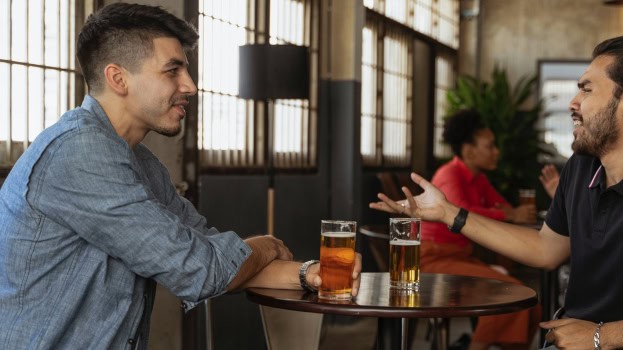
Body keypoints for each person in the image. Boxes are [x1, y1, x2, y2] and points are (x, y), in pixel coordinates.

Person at [0, 3, 360, 349]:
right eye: (172, 70)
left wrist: (309, 272)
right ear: (118, 78)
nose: (190, 85)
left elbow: (214, 257)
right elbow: (200, 268)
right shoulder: (79, 154)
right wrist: (266, 243)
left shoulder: (141, 163)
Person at [372, 34, 623, 350]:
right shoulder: (582, 168)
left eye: (587, 90)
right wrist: (449, 213)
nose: (573, 103)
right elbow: (546, 249)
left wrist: (599, 336)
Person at [421, 109, 539, 350]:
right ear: (469, 151)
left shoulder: (479, 178)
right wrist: (508, 214)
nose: (497, 151)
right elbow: (459, 212)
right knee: (509, 292)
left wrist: (509, 212)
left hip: (462, 258)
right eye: (491, 146)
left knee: (531, 302)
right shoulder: (450, 174)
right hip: (433, 261)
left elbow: (503, 208)